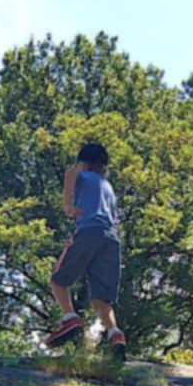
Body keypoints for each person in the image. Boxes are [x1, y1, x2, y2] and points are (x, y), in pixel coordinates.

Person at [46, 143, 126, 361]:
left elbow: (70, 174)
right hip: (112, 240)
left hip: (89, 230)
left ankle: (70, 318)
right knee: (101, 300)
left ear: (84, 163)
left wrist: (66, 205)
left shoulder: (84, 175)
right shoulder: (108, 187)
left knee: (58, 279)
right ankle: (115, 334)